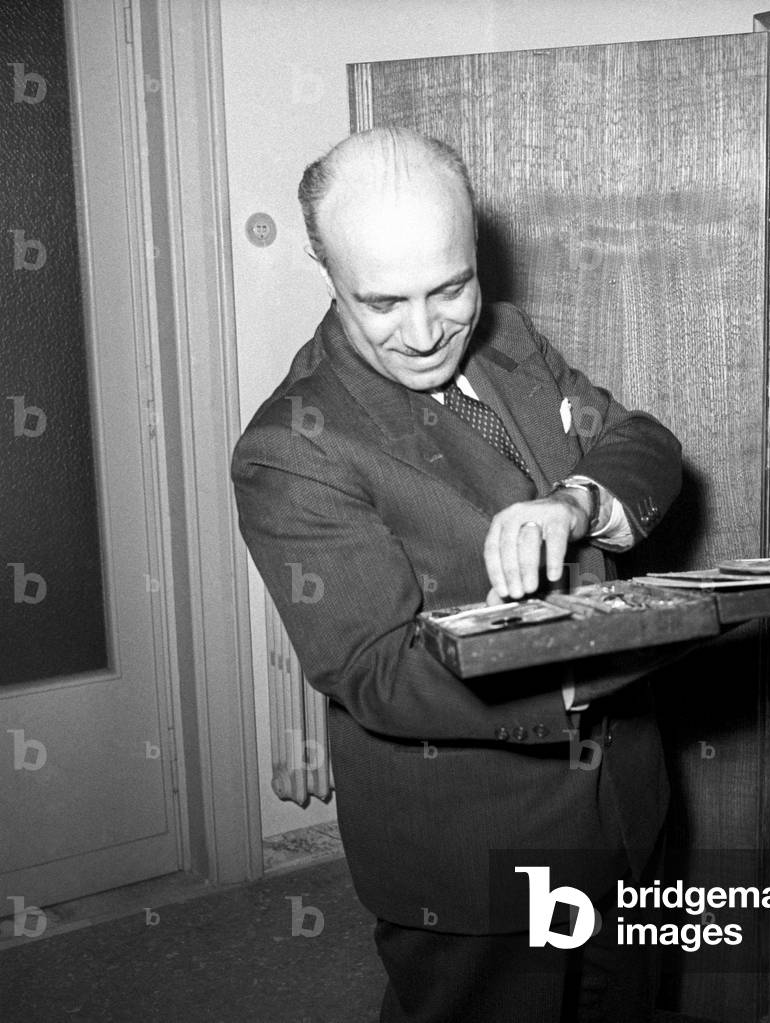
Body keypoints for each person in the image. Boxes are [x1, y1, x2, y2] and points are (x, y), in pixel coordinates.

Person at [231, 127, 682, 1022]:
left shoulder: (511, 337)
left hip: (623, 808)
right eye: (385, 303)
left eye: (450, 288)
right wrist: (625, 649)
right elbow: (379, 670)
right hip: (471, 853)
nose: (428, 329)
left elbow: (643, 443)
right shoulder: (292, 447)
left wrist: (580, 500)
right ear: (326, 271)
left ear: (478, 252)